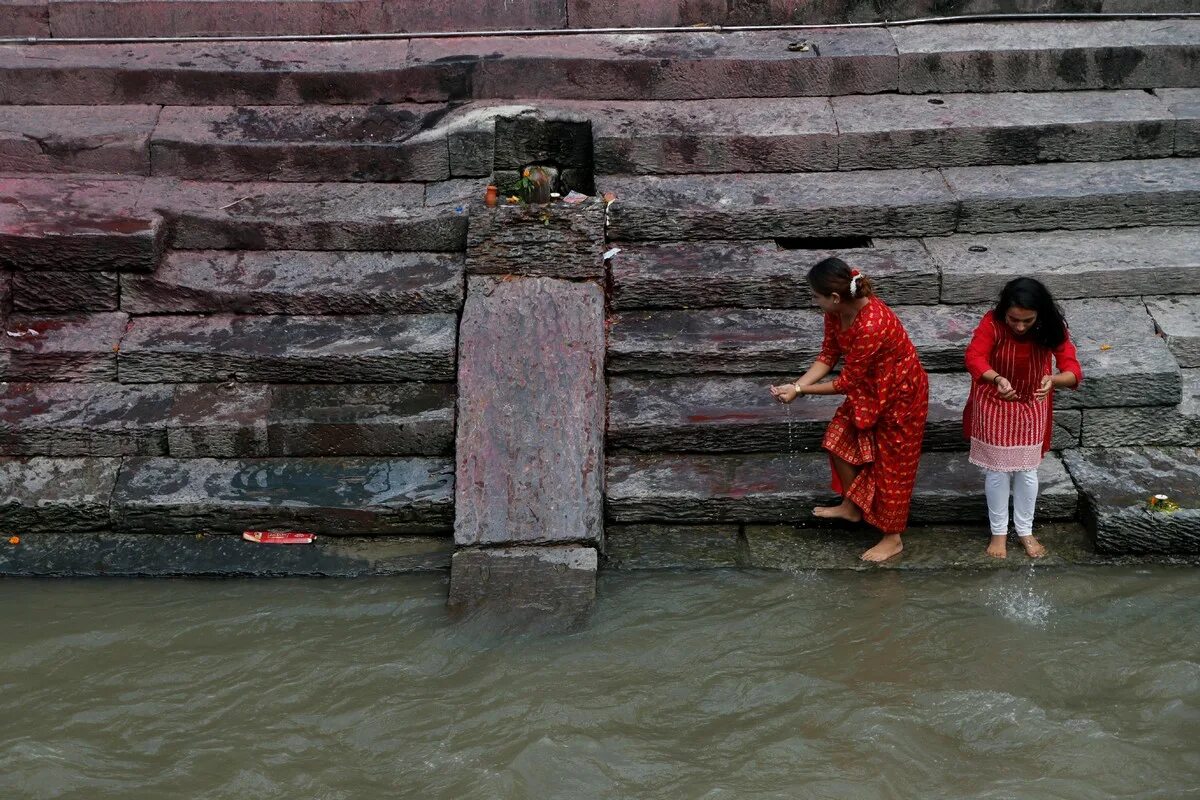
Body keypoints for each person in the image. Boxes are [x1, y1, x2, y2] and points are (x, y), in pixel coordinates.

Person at [770, 257, 929, 562]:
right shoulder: (837, 311)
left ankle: (892, 537)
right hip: (869, 387)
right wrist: (795, 385)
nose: (813, 301)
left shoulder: (871, 324)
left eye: (815, 296)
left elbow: (845, 383)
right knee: (837, 440)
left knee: (892, 467)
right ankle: (852, 506)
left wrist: (800, 391)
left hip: (900, 396)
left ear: (834, 297)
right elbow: (828, 355)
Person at [963, 277, 1081, 559]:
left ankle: (1025, 530)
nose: (1019, 326)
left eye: (1027, 321)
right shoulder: (991, 323)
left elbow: (1073, 369)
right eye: (1014, 319)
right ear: (1005, 311)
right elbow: (974, 358)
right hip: (994, 399)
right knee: (998, 471)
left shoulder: (1052, 328)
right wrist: (997, 379)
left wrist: (1054, 380)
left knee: (1027, 471)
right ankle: (999, 533)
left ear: (1039, 314)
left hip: (1032, 403)